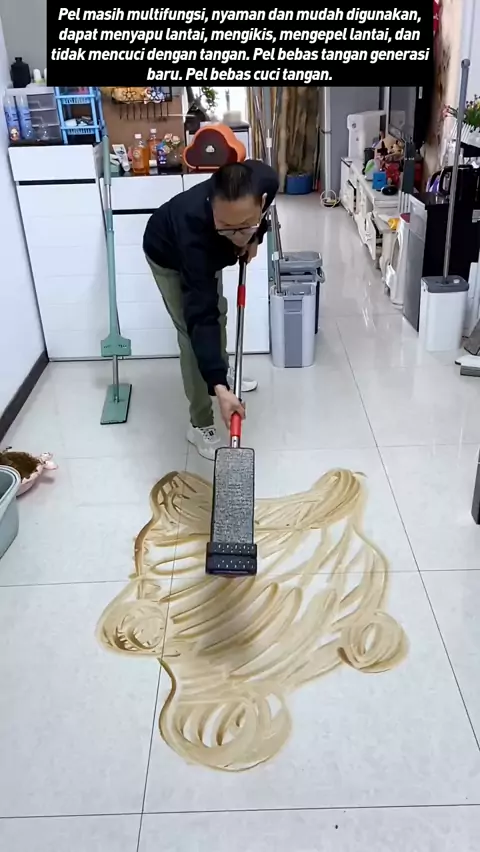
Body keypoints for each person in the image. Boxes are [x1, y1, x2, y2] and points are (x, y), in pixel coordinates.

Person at [143, 160, 279, 459]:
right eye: (227, 227)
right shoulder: (194, 235)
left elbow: (255, 222)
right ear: (212, 208)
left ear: (261, 201)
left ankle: (221, 374)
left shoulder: (267, 181)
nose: (238, 236)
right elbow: (201, 316)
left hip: (210, 249)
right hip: (168, 253)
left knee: (220, 312)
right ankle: (200, 422)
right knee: (193, 333)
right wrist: (217, 387)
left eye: (245, 224)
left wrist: (255, 236)